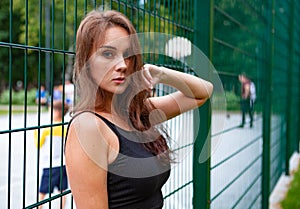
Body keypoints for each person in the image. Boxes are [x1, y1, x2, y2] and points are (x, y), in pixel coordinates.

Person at [64, 10, 213, 209]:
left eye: (128, 55)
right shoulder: (89, 126)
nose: (122, 65)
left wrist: (160, 73)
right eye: (108, 54)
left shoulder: (136, 113)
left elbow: (203, 92)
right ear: (87, 62)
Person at [34, 100, 69, 209]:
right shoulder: (65, 127)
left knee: (42, 192)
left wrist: (36, 133)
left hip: (50, 164)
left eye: (51, 110)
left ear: (57, 112)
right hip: (63, 164)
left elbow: (38, 144)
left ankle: (39, 207)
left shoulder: (47, 128)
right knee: (62, 191)